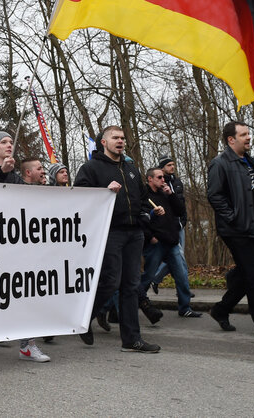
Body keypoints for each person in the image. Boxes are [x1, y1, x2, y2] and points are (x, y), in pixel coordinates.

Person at [74, 125, 160, 353]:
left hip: (134, 233)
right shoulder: (91, 168)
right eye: (115, 137)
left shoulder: (131, 169)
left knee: (131, 286)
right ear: (104, 142)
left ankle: (132, 340)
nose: (120, 141)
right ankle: (83, 320)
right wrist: (104, 190)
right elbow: (79, 198)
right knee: (110, 282)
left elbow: (143, 198)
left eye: (122, 137)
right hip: (109, 232)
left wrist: (144, 216)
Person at [0, 131, 51, 361]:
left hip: (16, 245)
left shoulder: (15, 176)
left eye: (10, 141)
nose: (9, 145)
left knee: (25, 294)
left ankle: (27, 345)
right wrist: (1, 173)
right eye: (4, 142)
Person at [207, 121, 254, 338]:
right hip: (237, 229)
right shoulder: (220, 163)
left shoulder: (248, 161)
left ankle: (221, 309)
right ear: (231, 139)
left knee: (247, 273)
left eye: (249, 133)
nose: (248, 137)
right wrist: (233, 218)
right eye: (243, 134)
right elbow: (214, 195)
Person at [139, 168, 201, 319]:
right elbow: (141, 220)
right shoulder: (144, 196)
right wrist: (150, 237)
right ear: (150, 179)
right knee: (148, 277)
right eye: (159, 177)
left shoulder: (166, 193)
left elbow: (180, 211)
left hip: (172, 242)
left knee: (181, 275)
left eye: (164, 178)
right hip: (156, 244)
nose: (163, 180)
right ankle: (131, 302)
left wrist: (171, 195)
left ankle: (185, 307)